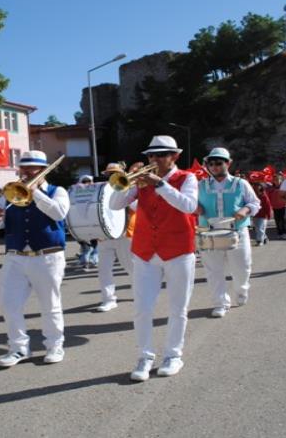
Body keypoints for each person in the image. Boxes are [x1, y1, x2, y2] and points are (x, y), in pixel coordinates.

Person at [110, 135, 198, 381]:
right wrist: (129, 182)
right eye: (150, 155)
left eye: (160, 154)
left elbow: (189, 206)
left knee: (178, 308)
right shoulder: (141, 183)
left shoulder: (187, 178)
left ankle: (173, 355)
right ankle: (145, 356)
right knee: (142, 308)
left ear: (175, 157)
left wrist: (159, 184)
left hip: (178, 250)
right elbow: (116, 205)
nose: (154, 159)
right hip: (145, 252)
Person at [0, 150, 70, 367]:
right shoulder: (9, 193)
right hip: (15, 256)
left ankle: (54, 346)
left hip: (48, 255)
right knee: (9, 304)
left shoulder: (57, 191)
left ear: (43, 170)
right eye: (23, 167)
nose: (25, 172)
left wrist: (36, 193)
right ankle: (18, 348)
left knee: (50, 304)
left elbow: (59, 213)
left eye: (31, 168)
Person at [196, 148, 260, 319]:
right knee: (213, 270)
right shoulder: (200, 185)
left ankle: (241, 289)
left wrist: (245, 210)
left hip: (237, 232)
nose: (215, 166)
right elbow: (188, 203)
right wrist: (195, 207)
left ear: (228, 163)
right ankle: (220, 303)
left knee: (242, 268)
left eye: (219, 163)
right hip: (209, 233)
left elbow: (255, 202)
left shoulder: (241, 183)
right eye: (211, 163)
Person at [95, 162, 136, 312]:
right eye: (108, 174)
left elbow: (137, 206)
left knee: (130, 267)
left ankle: (140, 293)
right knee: (103, 269)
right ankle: (108, 300)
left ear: (122, 174)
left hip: (124, 234)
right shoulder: (100, 190)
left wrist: (124, 192)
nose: (111, 177)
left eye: (115, 174)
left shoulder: (130, 188)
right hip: (104, 235)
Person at [73, 175, 98, 270]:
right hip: (80, 222)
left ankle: (90, 260)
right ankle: (88, 260)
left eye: (89, 181)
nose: (87, 184)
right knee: (85, 245)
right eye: (84, 182)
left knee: (93, 244)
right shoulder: (75, 192)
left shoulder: (96, 191)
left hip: (93, 221)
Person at [267, 174, 286, 239]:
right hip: (275, 206)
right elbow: (268, 198)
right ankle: (279, 233)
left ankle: (284, 233)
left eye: (277, 180)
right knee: (277, 220)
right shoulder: (270, 188)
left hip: (283, 205)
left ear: (281, 180)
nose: (276, 181)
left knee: (283, 219)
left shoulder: (284, 187)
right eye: (274, 180)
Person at [253, 182, 272, 246]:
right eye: (255, 185)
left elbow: (268, 206)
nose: (256, 187)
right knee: (257, 228)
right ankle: (265, 238)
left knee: (260, 228)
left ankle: (260, 241)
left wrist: (269, 215)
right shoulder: (253, 195)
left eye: (258, 185)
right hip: (255, 215)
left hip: (263, 215)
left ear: (261, 187)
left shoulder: (264, 196)